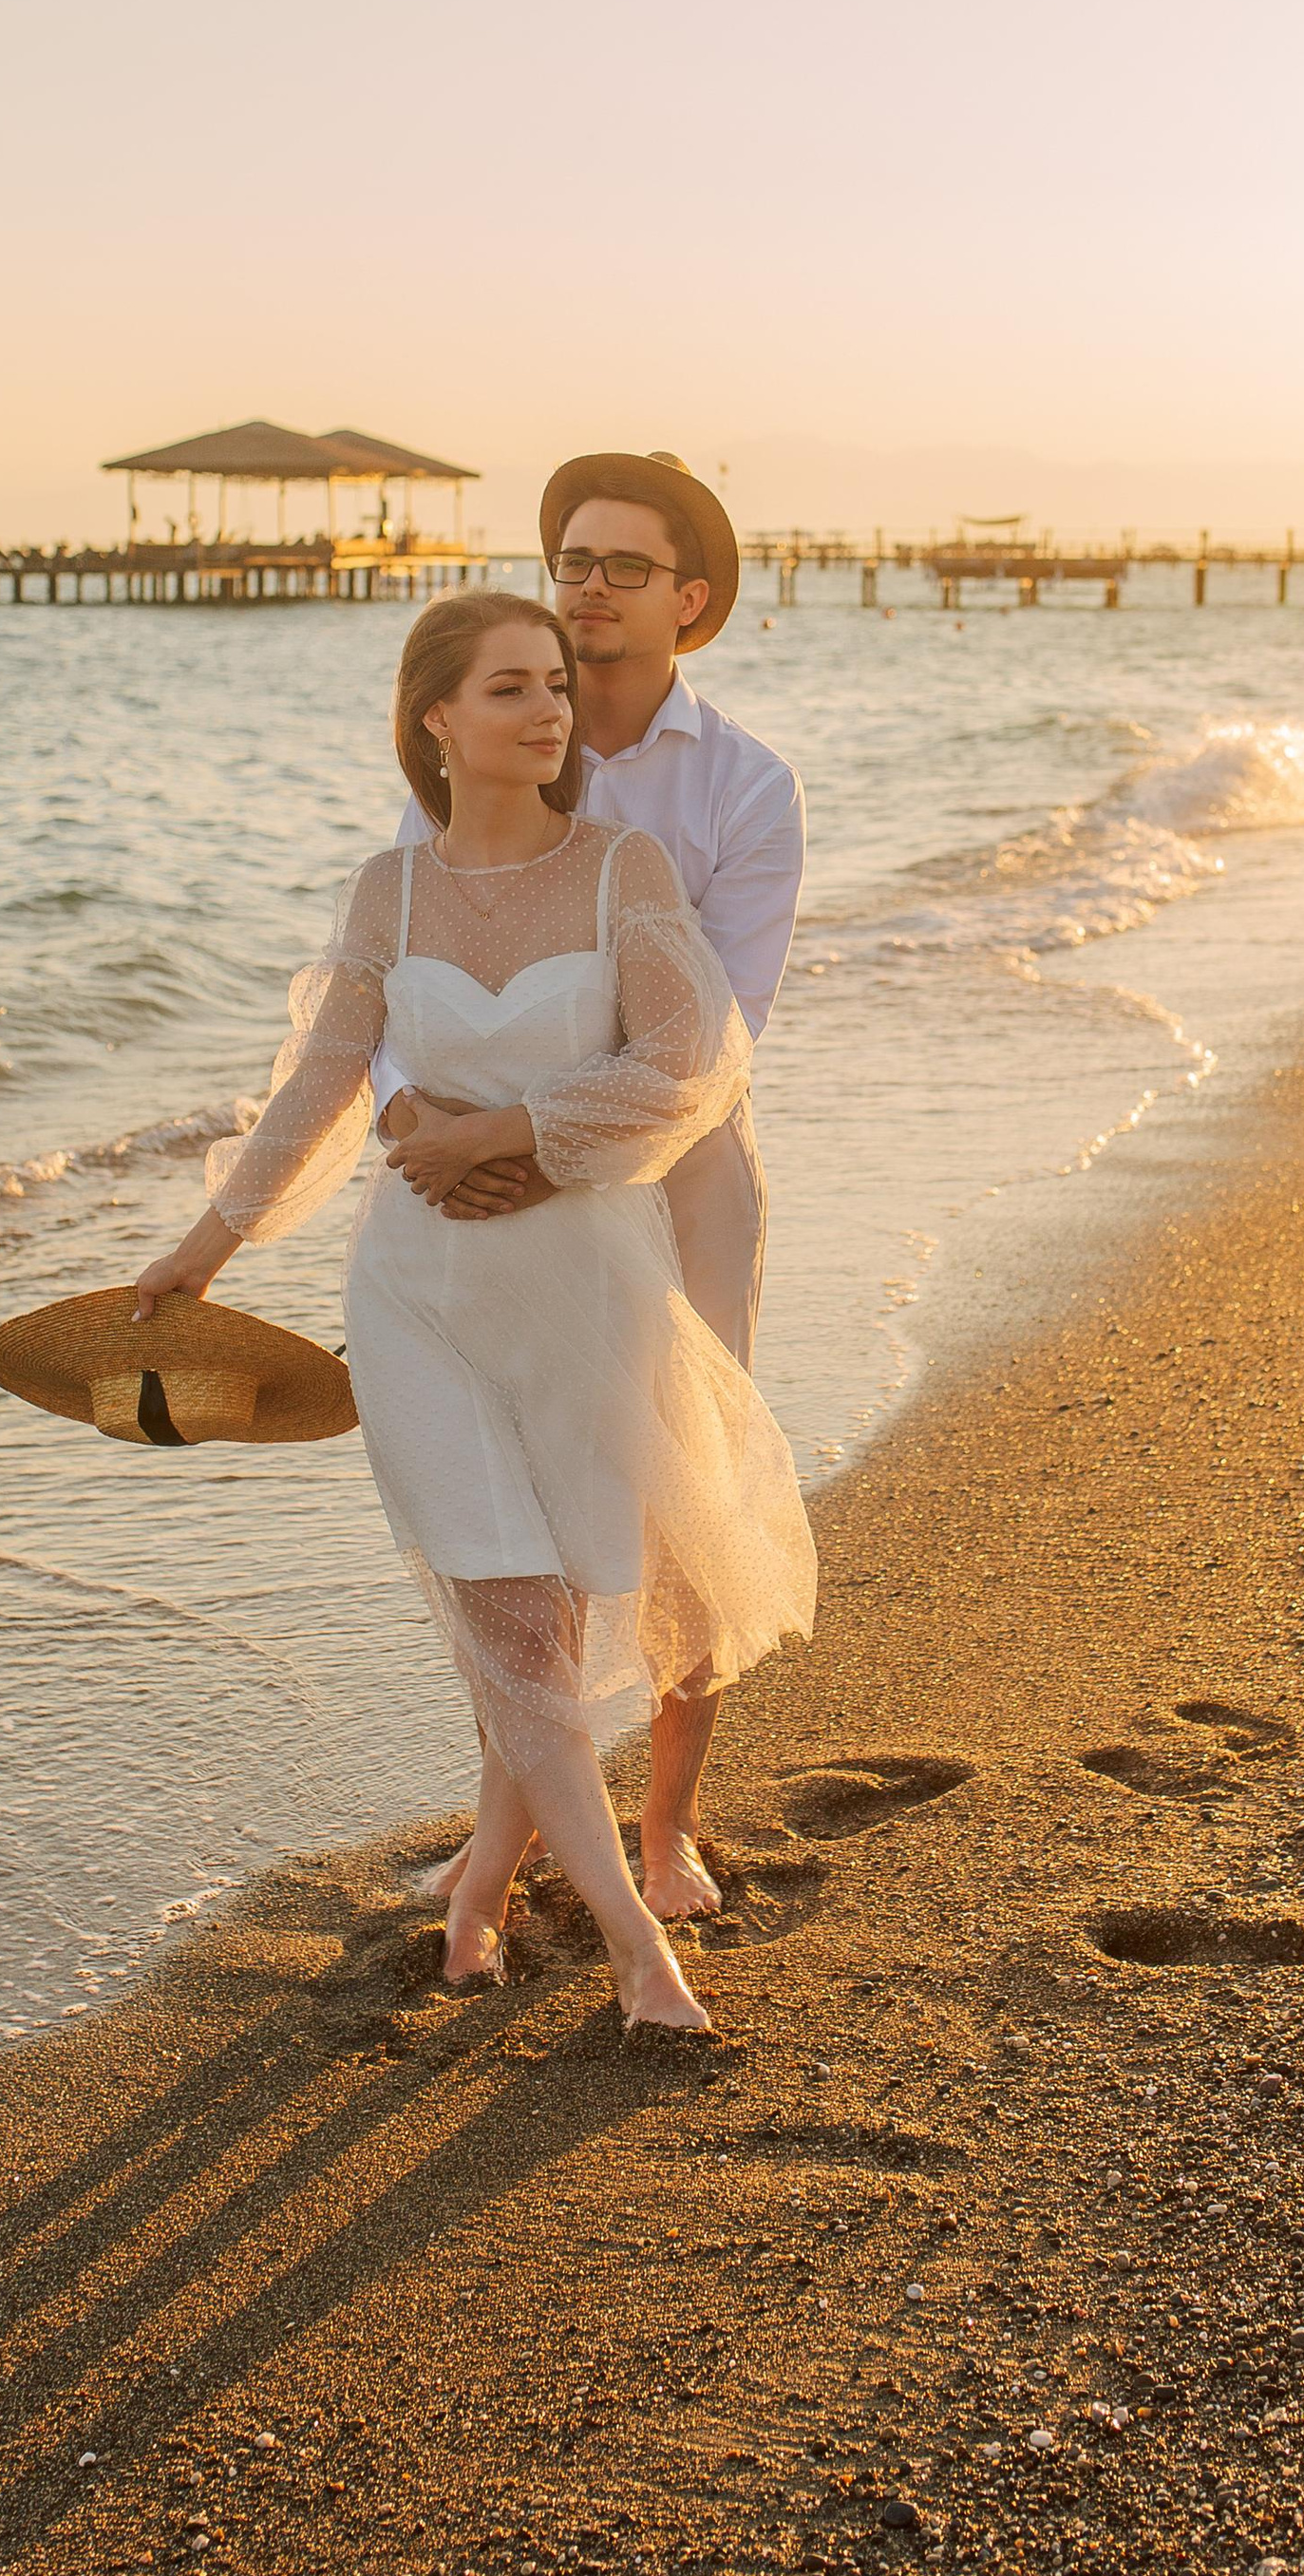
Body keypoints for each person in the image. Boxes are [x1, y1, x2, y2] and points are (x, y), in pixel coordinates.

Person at [131, 589, 817, 2036]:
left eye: (556, 685)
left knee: (553, 1616)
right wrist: (209, 1242)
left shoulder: (624, 870)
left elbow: (692, 1062)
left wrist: (507, 1132)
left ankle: (476, 1897)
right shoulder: (386, 894)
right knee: (510, 1622)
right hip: (417, 1298)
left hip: (587, 1293)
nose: (550, 711)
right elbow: (323, 1082)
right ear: (436, 720)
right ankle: (639, 1954)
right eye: (511, 688)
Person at [375, 451, 805, 1923]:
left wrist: (528, 1139)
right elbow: (402, 972)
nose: (588, 589)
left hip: (678, 1180)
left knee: (681, 1490)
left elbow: (719, 1044)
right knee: (501, 1501)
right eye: (570, 561)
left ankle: (668, 1828)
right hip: (474, 1191)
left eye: (622, 567)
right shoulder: (489, 740)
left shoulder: (742, 785)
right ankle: (534, 1812)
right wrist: (426, 1131)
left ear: (691, 600)